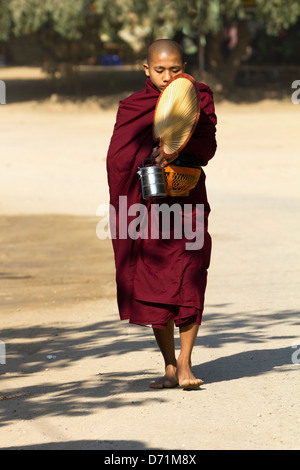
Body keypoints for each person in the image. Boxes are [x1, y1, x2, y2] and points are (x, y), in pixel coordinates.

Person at [106, 39, 217, 388]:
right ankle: (169, 365)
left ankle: (186, 361)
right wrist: (150, 157)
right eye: (159, 70)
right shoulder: (133, 106)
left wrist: (177, 149)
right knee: (155, 281)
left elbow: (208, 145)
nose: (167, 77)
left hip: (187, 199)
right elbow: (118, 158)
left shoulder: (198, 95)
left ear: (183, 67)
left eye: (175, 69)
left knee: (192, 271)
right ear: (146, 69)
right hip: (149, 205)